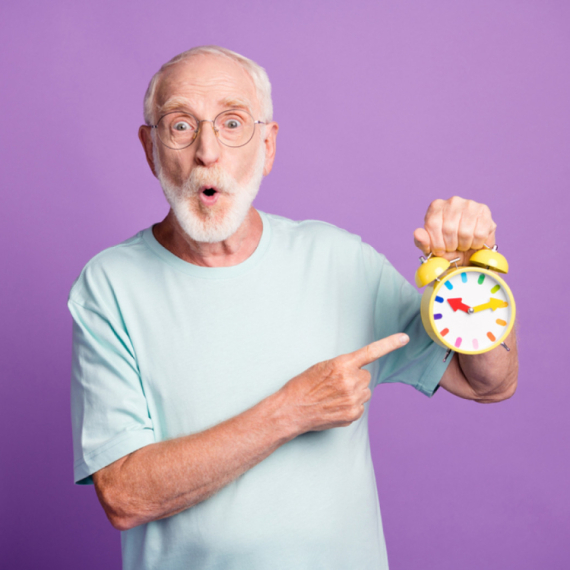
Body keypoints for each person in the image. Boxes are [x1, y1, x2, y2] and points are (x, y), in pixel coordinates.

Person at [68, 46, 518, 570]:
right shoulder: (110, 286)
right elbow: (125, 495)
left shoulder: (340, 260)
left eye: (232, 124)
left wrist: (471, 281)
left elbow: (489, 382)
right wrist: (292, 411)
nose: (207, 151)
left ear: (267, 145)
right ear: (150, 149)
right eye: (181, 126)